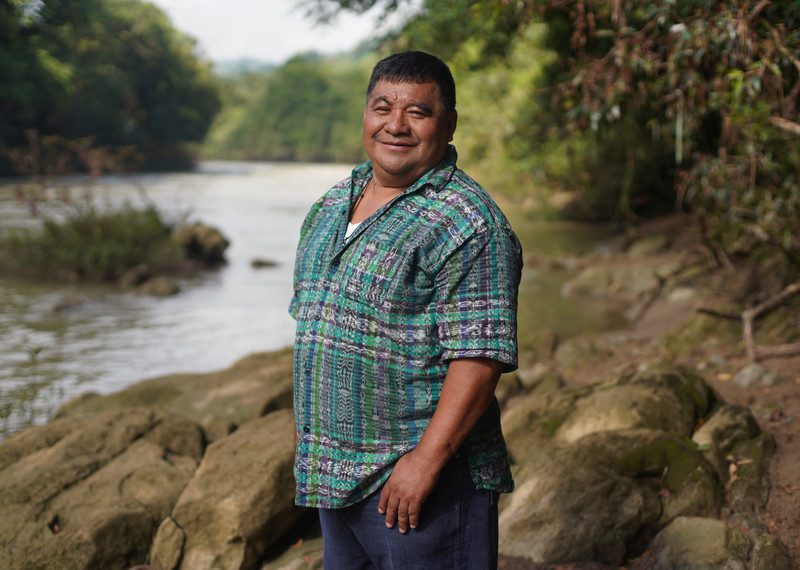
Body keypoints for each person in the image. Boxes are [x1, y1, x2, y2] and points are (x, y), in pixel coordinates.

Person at [288, 51, 522, 569]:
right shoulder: (333, 204)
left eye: (418, 112)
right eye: (383, 107)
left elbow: (479, 361)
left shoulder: (468, 224)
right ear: (365, 115)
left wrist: (425, 462)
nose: (396, 125)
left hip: (419, 487)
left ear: (449, 123)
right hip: (337, 479)